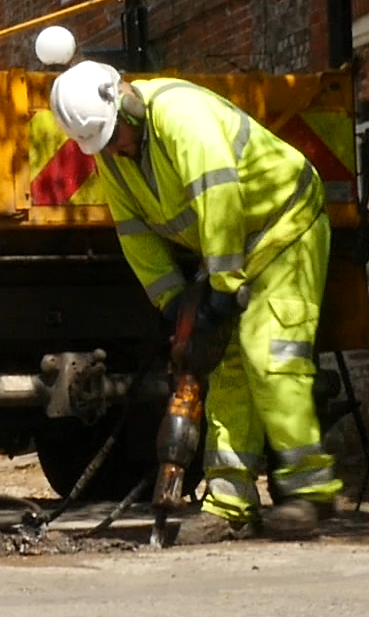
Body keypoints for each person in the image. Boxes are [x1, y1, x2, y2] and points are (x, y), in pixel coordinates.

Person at [49, 56, 338, 543]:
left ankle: (310, 493)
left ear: (127, 103)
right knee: (223, 368)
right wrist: (176, 306)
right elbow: (135, 234)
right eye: (102, 145)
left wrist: (222, 290)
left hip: (285, 227)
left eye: (115, 136)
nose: (116, 150)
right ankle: (230, 504)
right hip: (226, 253)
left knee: (271, 355)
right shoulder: (111, 155)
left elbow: (219, 199)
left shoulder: (183, 117)